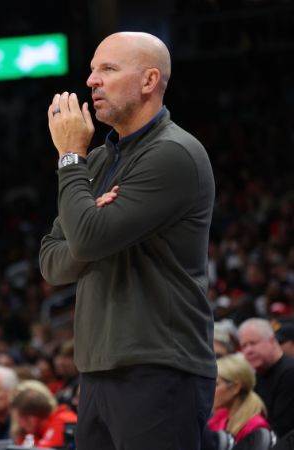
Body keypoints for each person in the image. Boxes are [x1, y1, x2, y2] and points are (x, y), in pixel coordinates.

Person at [39, 31, 216, 450]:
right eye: (92, 70)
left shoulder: (173, 154)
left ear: (149, 80)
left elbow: (82, 241)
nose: (91, 81)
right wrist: (93, 232)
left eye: (108, 69)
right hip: (100, 369)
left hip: (160, 368)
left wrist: (69, 159)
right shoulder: (98, 160)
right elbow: (51, 261)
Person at [238, 318, 294, 437]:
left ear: (272, 341)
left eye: (253, 343)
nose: (248, 350)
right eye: (244, 346)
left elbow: (282, 429)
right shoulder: (258, 374)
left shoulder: (290, 373)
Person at [207, 353, 270, 443]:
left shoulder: (255, 427)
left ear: (235, 388)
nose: (210, 390)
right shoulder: (220, 416)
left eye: (216, 384)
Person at [11, 381, 77, 448]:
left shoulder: (63, 421)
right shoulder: (36, 431)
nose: (19, 425)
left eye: (19, 420)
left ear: (32, 419)